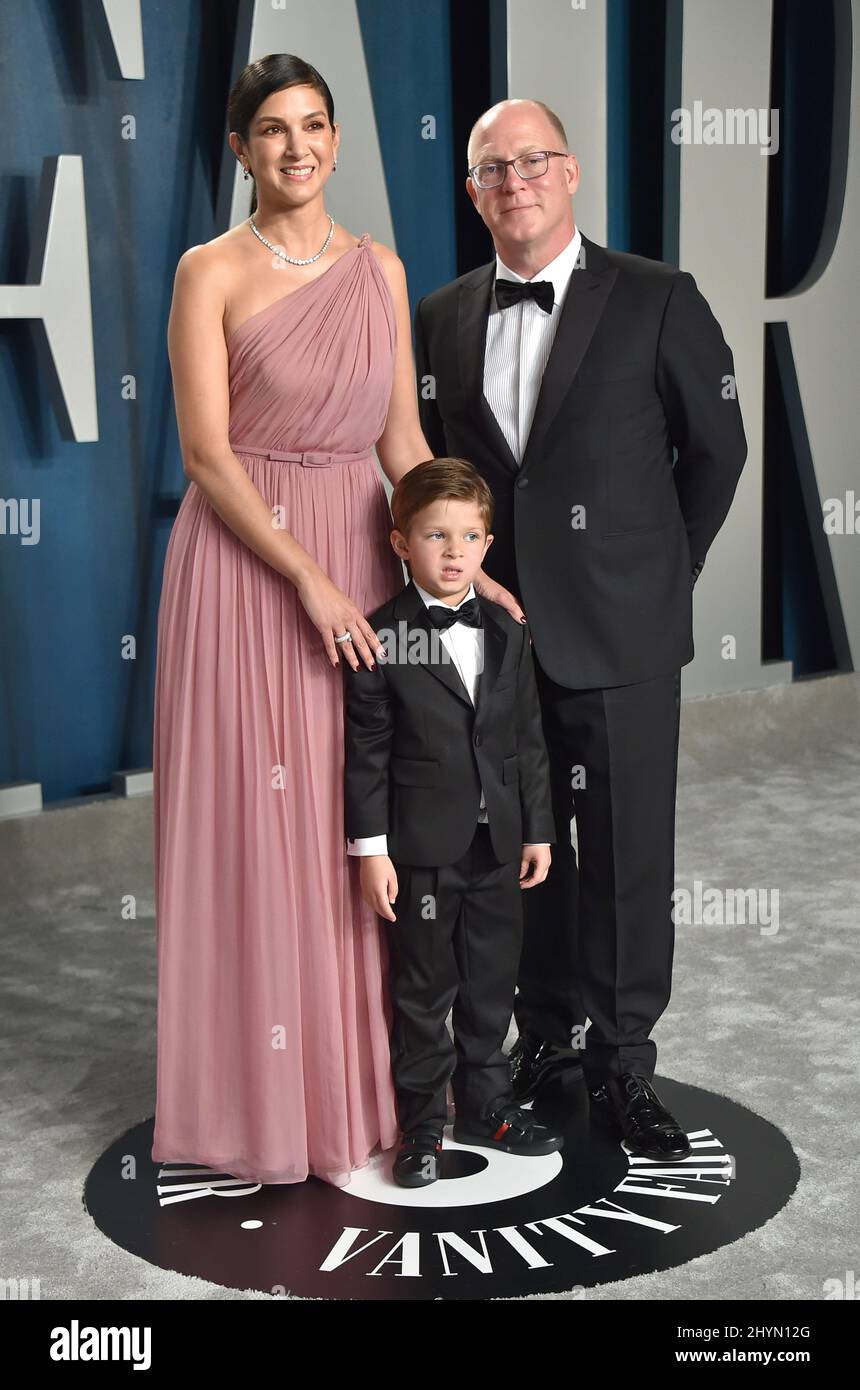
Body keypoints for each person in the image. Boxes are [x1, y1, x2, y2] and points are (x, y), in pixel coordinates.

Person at [152, 54, 519, 1187]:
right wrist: (308, 577)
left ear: (336, 140)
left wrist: (453, 568)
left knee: (364, 818)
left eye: (314, 126)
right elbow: (206, 454)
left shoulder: (379, 268)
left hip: (370, 552)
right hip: (247, 563)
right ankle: (265, 1098)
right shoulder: (206, 269)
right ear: (240, 150)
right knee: (263, 825)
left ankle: (378, 1083)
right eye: (272, 130)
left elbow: (398, 447)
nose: (296, 147)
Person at [413, 99, 748, 1160]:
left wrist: (659, 575)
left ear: (569, 175)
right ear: (471, 194)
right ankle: (541, 1035)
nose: (512, 180)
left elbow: (717, 451)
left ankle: (622, 1064)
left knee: (623, 856)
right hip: (501, 642)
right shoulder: (439, 316)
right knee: (526, 851)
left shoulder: (655, 297)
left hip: (622, 634)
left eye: (531, 161)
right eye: (489, 169)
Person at [342, 458, 563, 1187]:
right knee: (424, 990)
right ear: (401, 543)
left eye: (469, 536)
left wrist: (537, 828)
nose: (453, 551)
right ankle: (422, 1129)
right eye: (436, 535)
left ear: (487, 545)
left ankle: (489, 1105)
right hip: (422, 851)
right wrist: (371, 851)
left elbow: (527, 739)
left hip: (499, 843)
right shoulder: (381, 636)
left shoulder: (506, 629)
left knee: (492, 984)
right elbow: (367, 753)